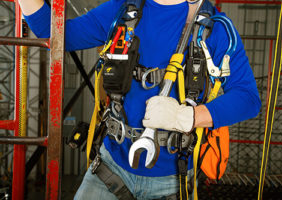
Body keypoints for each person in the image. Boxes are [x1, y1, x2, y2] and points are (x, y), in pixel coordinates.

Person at [19, 0, 261, 199]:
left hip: (172, 183)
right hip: (110, 169)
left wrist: (187, 117)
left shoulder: (215, 28)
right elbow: (57, 35)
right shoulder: (122, 12)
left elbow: (248, 98)